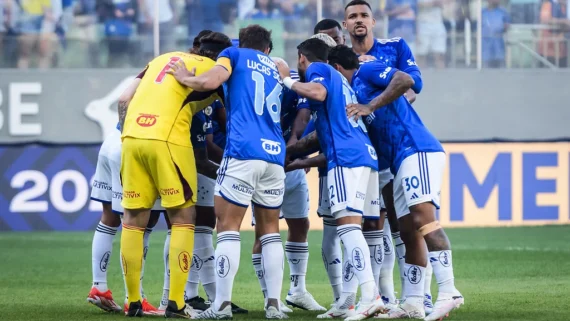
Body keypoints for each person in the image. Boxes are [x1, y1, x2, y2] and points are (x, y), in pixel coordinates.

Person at [167, 24, 288, 320]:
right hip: (274, 154)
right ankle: (274, 305)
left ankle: (220, 304)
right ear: (267, 49)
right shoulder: (275, 67)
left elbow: (213, 80)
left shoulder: (233, 55)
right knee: (270, 232)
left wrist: (186, 77)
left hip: (242, 152)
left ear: (241, 43)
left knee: (228, 226)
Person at [344, 46, 464, 320]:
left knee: (425, 219)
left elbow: (406, 80)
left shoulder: (367, 69)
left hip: (416, 148)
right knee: (407, 230)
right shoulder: (350, 91)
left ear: (338, 67)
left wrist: (370, 106)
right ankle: (412, 301)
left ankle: (448, 291)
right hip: (398, 161)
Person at [118, 31, 232, 318]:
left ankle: (133, 302)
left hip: (131, 137)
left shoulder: (162, 58)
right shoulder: (217, 68)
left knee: (133, 219)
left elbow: (124, 97)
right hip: (168, 138)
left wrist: (128, 129)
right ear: (220, 55)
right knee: (183, 217)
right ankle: (176, 304)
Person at [276, 38, 384, 321]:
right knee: (352, 230)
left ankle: (370, 295)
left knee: (347, 229)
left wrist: (287, 80)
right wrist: (296, 157)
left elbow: (318, 93)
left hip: (346, 158)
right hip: (364, 156)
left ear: (302, 57)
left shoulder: (319, 69)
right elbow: (318, 134)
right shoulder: (342, 81)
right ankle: (347, 300)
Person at [343, 0, 430, 310]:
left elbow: (413, 84)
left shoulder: (394, 47)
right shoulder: (341, 62)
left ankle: (421, 295)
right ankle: (389, 297)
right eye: (352, 16)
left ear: (374, 21)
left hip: (398, 149)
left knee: (407, 224)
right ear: (345, 25)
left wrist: (383, 102)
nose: (358, 20)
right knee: (372, 226)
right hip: (366, 157)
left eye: (363, 15)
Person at [87, 101, 164, 317]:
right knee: (142, 222)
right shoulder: (175, 78)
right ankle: (135, 298)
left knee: (109, 218)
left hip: (113, 139)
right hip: (133, 147)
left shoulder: (146, 76)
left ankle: (99, 287)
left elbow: (123, 100)